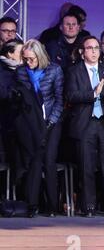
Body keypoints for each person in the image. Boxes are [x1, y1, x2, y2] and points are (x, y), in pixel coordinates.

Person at [65, 36, 104, 218]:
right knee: (86, 166)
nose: (94, 51)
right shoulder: (74, 71)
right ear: (82, 52)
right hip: (85, 123)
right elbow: (71, 96)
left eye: (96, 48)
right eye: (90, 48)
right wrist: (94, 93)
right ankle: (88, 205)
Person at [14, 39, 64, 217]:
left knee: (49, 162)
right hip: (31, 124)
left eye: (31, 59)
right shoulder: (21, 72)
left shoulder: (54, 70)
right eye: (25, 59)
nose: (28, 62)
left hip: (51, 122)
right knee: (34, 163)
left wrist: (50, 122)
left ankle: (52, 206)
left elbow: (59, 100)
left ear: (40, 56)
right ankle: (32, 205)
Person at [0, 40, 23, 164]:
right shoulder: (2, 70)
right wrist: (18, 95)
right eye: (21, 52)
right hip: (5, 121)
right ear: (10, 53)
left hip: (19, 122)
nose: (24, 55)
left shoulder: (23, 70)